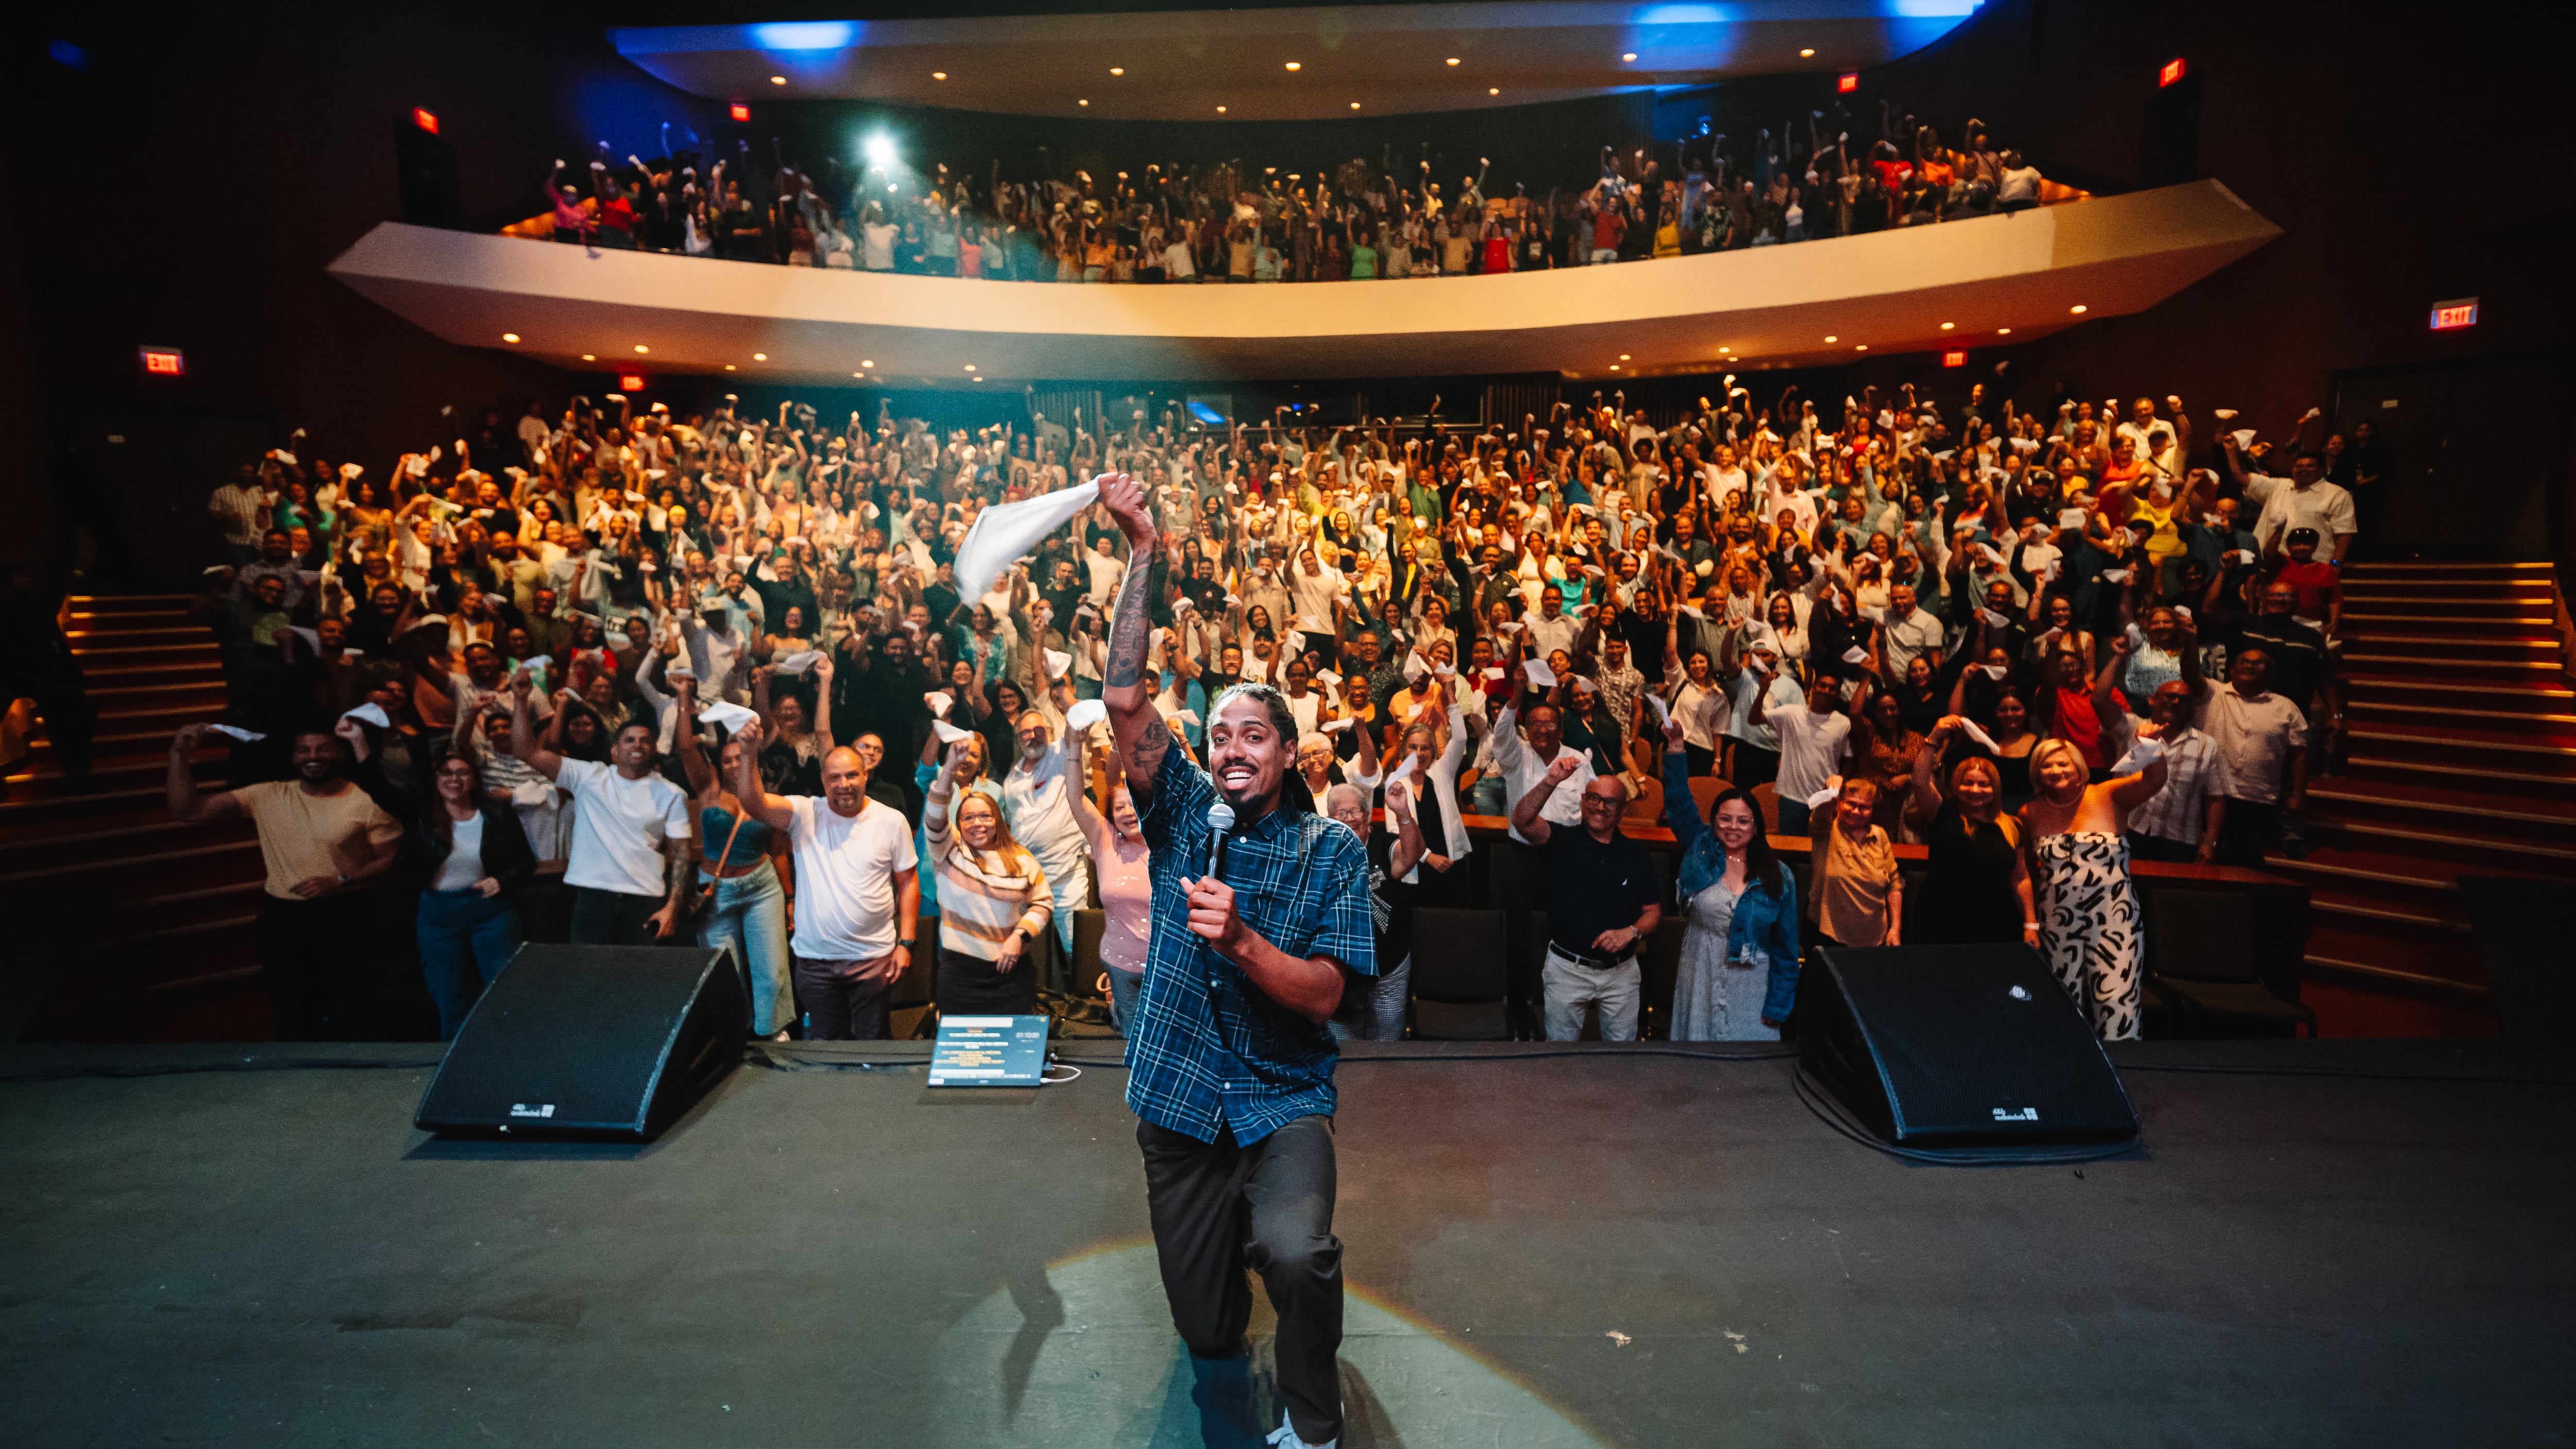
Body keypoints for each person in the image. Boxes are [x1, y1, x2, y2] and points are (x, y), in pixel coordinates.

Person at [1098, 470, 1377, 1449]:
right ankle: (1227, 1273)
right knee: (1211, 1333)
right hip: (1179, 1107)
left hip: (1278, 1102)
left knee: (1298, 1255)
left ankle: (1316, 1424)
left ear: (1290, 753)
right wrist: (1144, 554)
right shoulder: (1180, 818)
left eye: (1252, 734)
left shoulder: (1331, 851)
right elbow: (1124, 697)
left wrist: (1247, 941)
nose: (1228, 748)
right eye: (1218, 735)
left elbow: (1327, 994)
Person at [166, 723, 402, 1040]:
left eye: (323, 748)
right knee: (289, 1006)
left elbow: (389, 858)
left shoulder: (366, 801)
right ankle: (298, 1081)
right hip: (283, 916)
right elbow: (186, 810)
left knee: (357, 1002)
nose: (313, 756)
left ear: (339, 754)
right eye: (303, 750)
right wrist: (179, 753)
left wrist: (341, 880)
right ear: (293, 758)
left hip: (345, 910)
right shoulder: (267, 795)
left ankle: (370, 1078)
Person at [727, 719, 920, 1041]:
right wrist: (748, 753)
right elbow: (753, 803)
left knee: (874, 1051)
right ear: (823, 780)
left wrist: (907, 943)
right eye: (835, 777)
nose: (843, 784)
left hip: (872, 960)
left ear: (865, 775)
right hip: (816, 963)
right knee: (824, 1053)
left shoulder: (891, 820)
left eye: (851, 775)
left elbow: (908, 882)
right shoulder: (804, 812)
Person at [506, 671, 692, 945]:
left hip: (645, 898)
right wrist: (521, 701)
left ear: (654, 749)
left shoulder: (672, 793)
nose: (638, 745)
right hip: (593, 898)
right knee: (591, 981)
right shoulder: (587, 776)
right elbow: (526, 752)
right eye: (629, 740)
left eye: (645, 741)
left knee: (642, 982)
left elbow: (682, 853)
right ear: (615, 751)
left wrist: (673, 907)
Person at [1658, 719, 1801, 1040]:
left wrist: (1778, 1007)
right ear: (1714, 821)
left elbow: (1786, 949)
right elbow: (1679, 802)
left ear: (1756, 827)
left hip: (1753, 981)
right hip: (1701, 969)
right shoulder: (1701, 848)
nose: (1733, 827)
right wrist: (1677, 747)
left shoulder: (1780, 875)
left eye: (1743, 821)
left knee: (1746, 1063)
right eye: (1725, 818)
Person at [2021, 736, 2170, 1040]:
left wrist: (2152, 744)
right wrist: (2031, 923)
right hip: (2057, 923)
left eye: (2063, 762)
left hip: (2115, 919)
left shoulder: (2109, 794)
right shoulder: (2029, 813)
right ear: (2037, 772)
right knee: (2060, 1008)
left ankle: (2127, 1078)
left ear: (2079, 766)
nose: (2055, 770)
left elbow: (2156, 778)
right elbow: (2027, 874)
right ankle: (2064, 1077)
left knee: (2118, 1005)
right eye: (2046, 764)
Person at [671, 679, 795, 1039]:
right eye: (726, 760)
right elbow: (684, 748)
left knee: (772, 970)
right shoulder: (709, 790)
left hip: (762, 886)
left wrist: (789, 898)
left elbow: (778, 851)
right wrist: (683, 699)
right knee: (725, 972)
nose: (732, 764)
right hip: (717, 889)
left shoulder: (767, 799)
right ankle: (733, 1040)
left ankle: (775, 1036)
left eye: (739, 757)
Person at [1511, 755, 1662, 1041]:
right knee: (1561, 1058)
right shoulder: (1561, 840)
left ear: (1622, 810)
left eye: (1610, 802)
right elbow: (1521, 820)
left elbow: (1653, 913)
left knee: (1621, 1061)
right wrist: (1552, 780)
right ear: (1583, 801)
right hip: (1567, 969)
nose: (1600, 807)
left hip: (1621, 974)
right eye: (1593, 798)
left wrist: (1631, 932)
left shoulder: (1637, 855)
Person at [410, 747, 535, 1039]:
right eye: (447, 772)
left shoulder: (496, 813)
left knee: (503, 989)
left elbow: (526, 862)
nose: (455, 778)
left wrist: (502, 880)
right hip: (440, 914)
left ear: (475, 779)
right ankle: (456, 1067)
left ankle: (506, 1056)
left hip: (490, 911)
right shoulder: (421, 815)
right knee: (450, 994)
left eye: (463, 772)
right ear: (436, 779)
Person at [923, 736, 1053, 1017]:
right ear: (958, 824)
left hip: (1011, 974)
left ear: (998, 819)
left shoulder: (1021, 859)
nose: (977, 824)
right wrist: (948, 768)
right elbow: (935, 812)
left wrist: (1020, 936)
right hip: (960, 977)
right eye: (968, 818)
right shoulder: (948, 852)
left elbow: (1043, 903)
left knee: (1012, 1053)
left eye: (985, 816)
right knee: (963, 1052)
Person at [1906, 719, 2039, 946]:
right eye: (1968, 783)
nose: (1976, 790)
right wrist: (1934, 738)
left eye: (1984, 784)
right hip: (1941, 923)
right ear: (1957, 785)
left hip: (1995, 924)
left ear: (1995, 788)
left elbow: (2021, 878)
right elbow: (1919, 781)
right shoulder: (1943, 811)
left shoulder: (2012, 825)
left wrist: (2030, 925)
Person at [1066, 721, 1153, 1033]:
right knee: (1132, 1048)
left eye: (1135, 805)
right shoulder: (1105, 841)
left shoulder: (1167, 841)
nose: (1129, 812)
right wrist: (1074, 747)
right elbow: (1076, 796)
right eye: (1119, 808)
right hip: (1121, 967)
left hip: (1168, 967)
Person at [1326, 773, 1426, 1041]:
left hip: (1389, 965)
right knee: (1344, 1047)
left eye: (1356, 810)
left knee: (1387, 1041)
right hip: (1343, 968)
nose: (1349, 818)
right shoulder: (1322, 852)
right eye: (1340, 812)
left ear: (1368, 816)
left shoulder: (1383, 843)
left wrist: (1403, 812)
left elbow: (1410, 857)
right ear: (1329, 818)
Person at [1807, 776, 1903, 948]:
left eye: (1864, 807)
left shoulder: (1880, 836)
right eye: (1851, 804)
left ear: (1873, 810)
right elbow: (1820, 814)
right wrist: (1830, 791)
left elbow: (1894, 885)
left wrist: (1895, 928)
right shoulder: (1827, 831)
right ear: (1839, 803)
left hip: (1875, 938)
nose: (1856, 811)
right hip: (1830, 936)